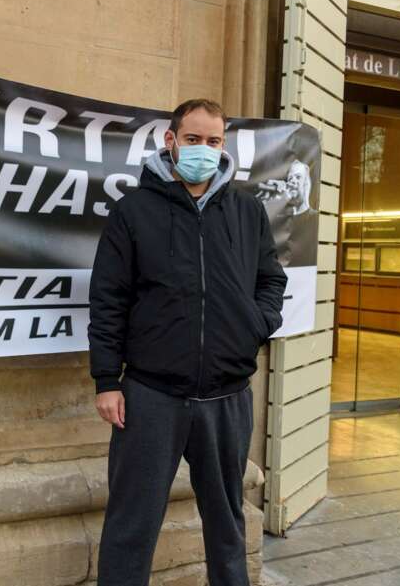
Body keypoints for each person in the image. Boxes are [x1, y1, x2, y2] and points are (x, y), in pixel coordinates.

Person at [88, 98, 287, 586]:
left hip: (227, 396)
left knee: (226, 523)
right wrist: (106, 380)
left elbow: (270, 280)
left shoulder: (246, 209)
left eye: (214, 141)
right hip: (151, 396)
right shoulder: (134, 211)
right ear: (171, 141)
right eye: (193, 139)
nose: (204, 149)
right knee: (131, 524)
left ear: (224, 146)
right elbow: (108, 298)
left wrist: (254, 327)